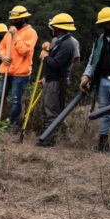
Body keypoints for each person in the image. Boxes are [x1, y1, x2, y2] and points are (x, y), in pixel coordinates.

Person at [80, 6, 110, 153]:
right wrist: (86, 76)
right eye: (105, 23)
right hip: (103, 79)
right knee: (104, 112)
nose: (108, 25)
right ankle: (102, 145)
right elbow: (92, 60)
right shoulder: (99, 40)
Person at [0, 5, 39, 129]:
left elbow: (24, 51)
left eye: (16, 20)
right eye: (12, 19)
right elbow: (1, 47)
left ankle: (11, 126)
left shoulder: (31, 33)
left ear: (24, 19)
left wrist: (16, 36)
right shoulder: (9, 33)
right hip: (6, 71)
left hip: (20, 73)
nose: (13, 22)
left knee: (16, 101)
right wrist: (2, 56)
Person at [36, 14, 76, 147]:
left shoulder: (67, 44)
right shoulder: (59, 41)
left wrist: (45, 57)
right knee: (45, 109)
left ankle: (49, 139)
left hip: (57, 82)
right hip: (50, 80)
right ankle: (50, 136)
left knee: (51, 111)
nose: (51, 28)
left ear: (58, 28)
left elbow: (56, 63)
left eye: (53, 27)